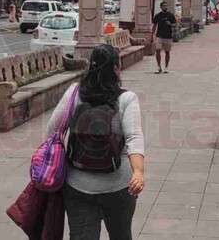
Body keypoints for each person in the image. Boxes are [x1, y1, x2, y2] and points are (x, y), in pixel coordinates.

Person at [46, 44, 145, 240]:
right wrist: (139, 172)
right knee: (121, 235)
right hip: (119, 187)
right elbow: (134, 137)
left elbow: (52, 131)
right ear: (116, 70)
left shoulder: (74, 92)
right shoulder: (126, 99)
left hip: (77, 185)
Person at [151, 1, 177, 74]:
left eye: (166, 6)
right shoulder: (158, 15)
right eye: (164, 6)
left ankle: (166, 67)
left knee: (167, 52)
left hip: (168, 36)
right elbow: (154, 25)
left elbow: (176, 25)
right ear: (161, 7)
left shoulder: (171, 15)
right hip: (159, 36)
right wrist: (152, 35)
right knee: (158, 50)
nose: (165, 7)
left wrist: (171, 24)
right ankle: (159, 66)